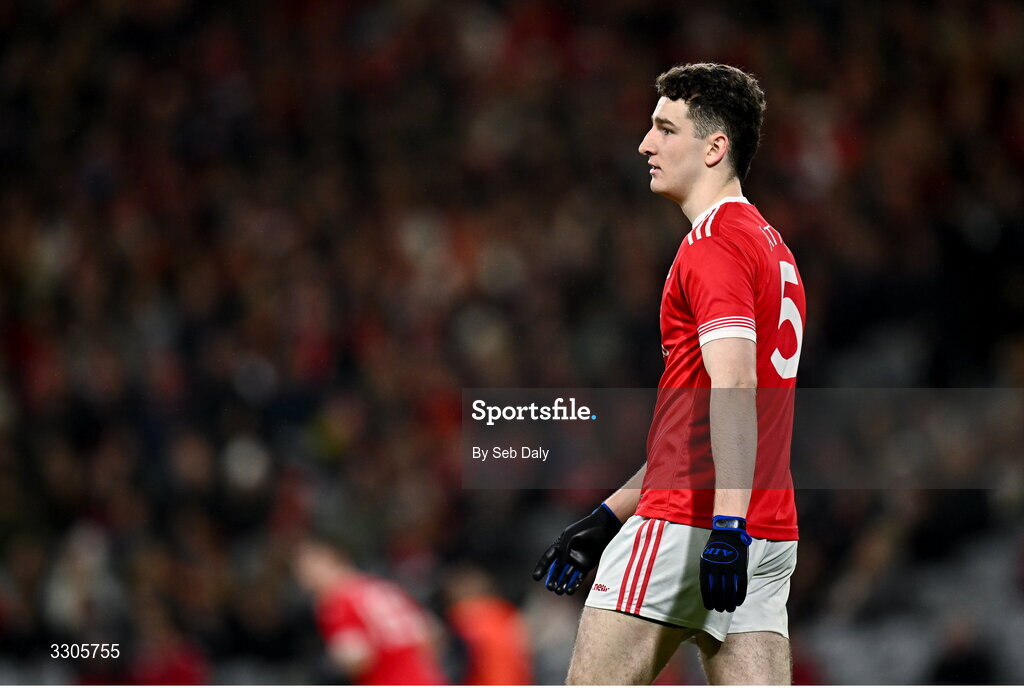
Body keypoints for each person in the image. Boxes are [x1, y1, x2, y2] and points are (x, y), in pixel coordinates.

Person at [533, 63, 805, 685]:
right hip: (767, 528)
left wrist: (725, 527)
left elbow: (734, 387)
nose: (645, 144)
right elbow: (710, 419)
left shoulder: (713, 244)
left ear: (715, 147)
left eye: (664, 128)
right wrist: (610, 512)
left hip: (695, 521)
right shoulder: (773, 248)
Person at [293, 535, 446, 685]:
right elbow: (432, 630)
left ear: (334, 559)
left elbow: (357, 657)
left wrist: (332, 662)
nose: (303, 577)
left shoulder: (336, 601)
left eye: (307, 567)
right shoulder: (381, 587)